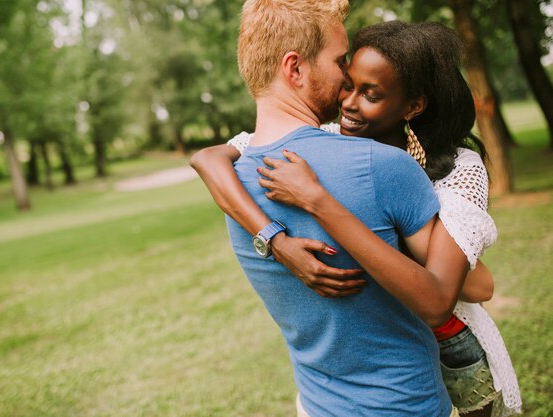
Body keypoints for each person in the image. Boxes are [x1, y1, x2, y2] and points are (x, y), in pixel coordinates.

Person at [192, 19, 522, 417]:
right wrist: (276, 241)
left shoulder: (459, 168)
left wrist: (319, 200)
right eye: (348, 83)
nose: (348, 102)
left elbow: (473, 287)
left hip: (452, 341)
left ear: (413, 106)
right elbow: (209, 158)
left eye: (371, 93)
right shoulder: (330, 134)